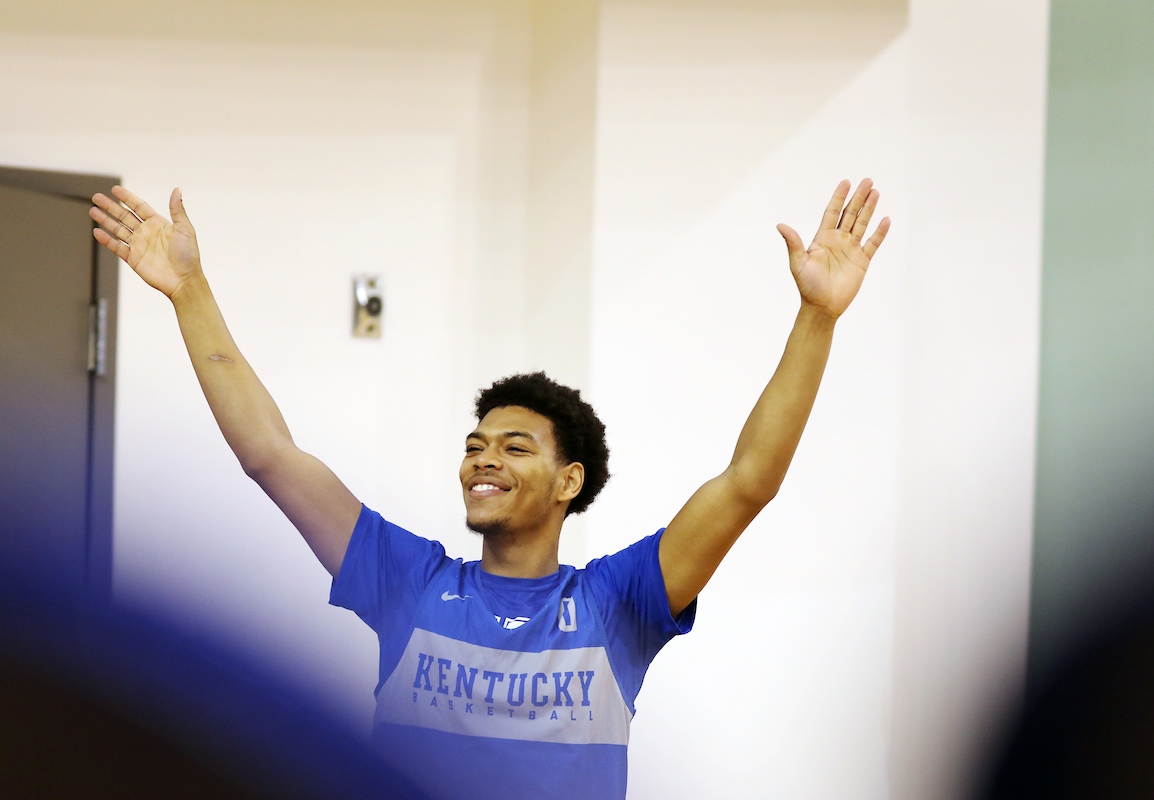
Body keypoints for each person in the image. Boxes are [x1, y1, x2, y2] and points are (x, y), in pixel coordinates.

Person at [90, 179, 889, 800]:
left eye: (514, 447)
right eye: (474, 446)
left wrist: (817, 317)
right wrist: (189, 293)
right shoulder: (407, 579)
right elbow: (269, 453)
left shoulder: (618, 603)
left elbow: (749, 481)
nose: (483, 460)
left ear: (568, 482)